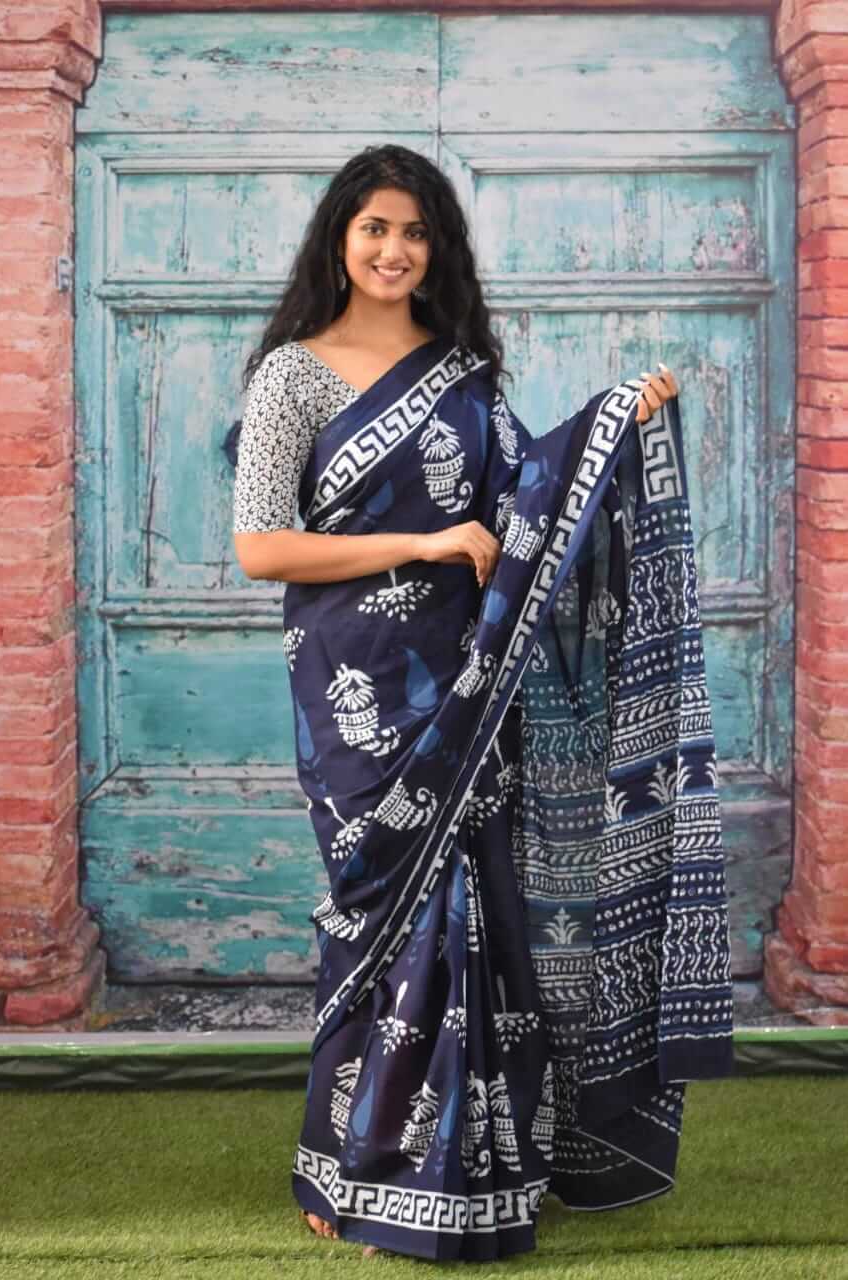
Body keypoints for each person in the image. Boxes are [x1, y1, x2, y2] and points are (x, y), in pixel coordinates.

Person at [231, 144, 734, 1263]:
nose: (394, 250)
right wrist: (418, 543)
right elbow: (260, 545)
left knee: (476, 905)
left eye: (415, 231)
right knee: (380, 907)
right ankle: (353, 1161)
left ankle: (478, 1164)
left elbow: (528, 503)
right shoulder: (292, 376)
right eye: (374, 229)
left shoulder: (460, 372)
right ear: (339, 239)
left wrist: (615, 421)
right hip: (357, 680)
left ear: (437, 247)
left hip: (471, 670)